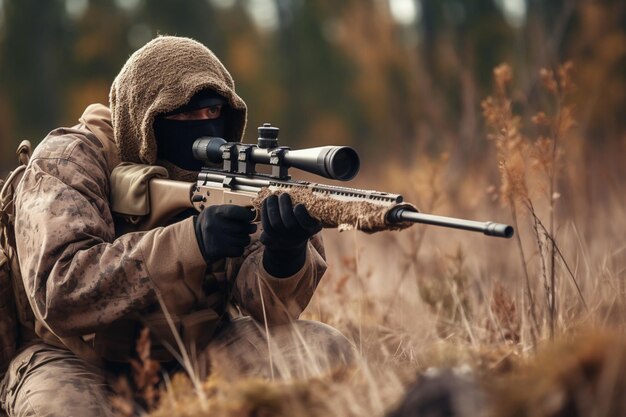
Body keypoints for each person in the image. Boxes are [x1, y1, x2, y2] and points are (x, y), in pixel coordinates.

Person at [0, 36, 354, 417]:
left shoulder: (230, 174)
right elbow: (61, 290)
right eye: (183, 116)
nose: (204, 127)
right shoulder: (68, 161)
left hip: (194, 354)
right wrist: (193, 241)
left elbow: (270, 313)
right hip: (73, 359)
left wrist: (284, 254)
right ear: (143, 119)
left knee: (324, 352)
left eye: (214, 112)